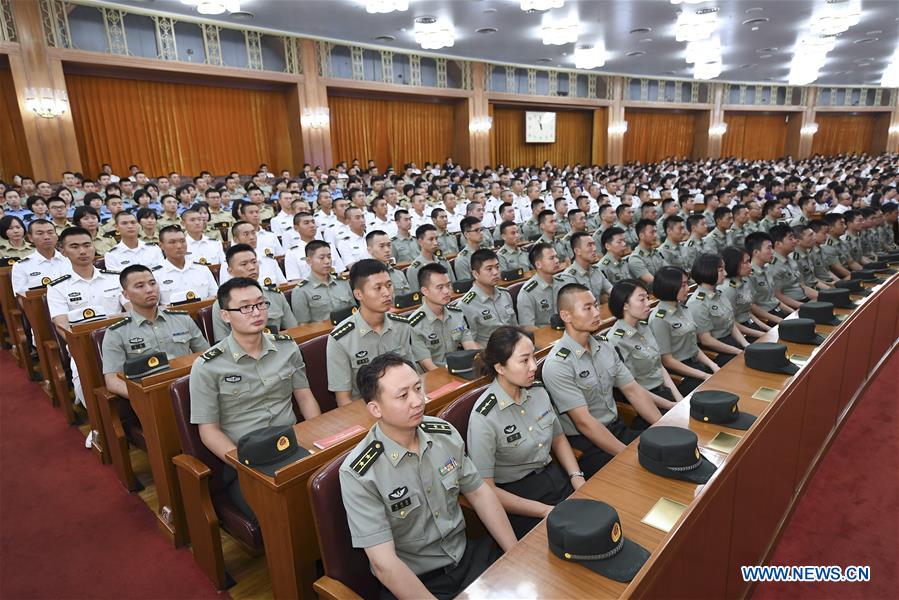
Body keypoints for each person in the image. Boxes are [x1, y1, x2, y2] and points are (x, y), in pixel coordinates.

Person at [339, 353, 516, 600]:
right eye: (403, 396)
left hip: (468, 559)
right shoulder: (360, 473)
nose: (417, 401)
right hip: (416, 583)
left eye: (418, 388)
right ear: (375, 409)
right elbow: (384, 564)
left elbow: (479, 492)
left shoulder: (443, 433)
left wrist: (515, 554)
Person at [189, 277, 321, 521]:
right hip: (248, 461)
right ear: (225, 316)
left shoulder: (287, 348)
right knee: (285, 516)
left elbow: (305, 397)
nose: (256, 312)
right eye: (245, 307)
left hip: (294, 444)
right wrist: (245, 466)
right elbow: (208, 431)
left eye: (261, 304)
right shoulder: (207, 366)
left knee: (333, 493)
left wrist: (319, 440)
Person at [466, 326, 584, 538]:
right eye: (524, 360)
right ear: (500, 367)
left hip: (555, 478)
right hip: (519, 501)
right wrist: (544, 510)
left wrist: (576, 477)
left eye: (533, 357)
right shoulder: (484, 417)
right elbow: (486, 489)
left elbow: (558, 438)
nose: (533, 367)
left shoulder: (537, 391)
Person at [542, 283, 663, 478]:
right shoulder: (558, 364)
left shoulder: (603, 346)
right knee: (644, 476)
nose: (596, 313)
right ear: (566, 316)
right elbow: (584, 423)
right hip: (589, 444)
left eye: (596, 306)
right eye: (587, 308)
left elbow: (633, 390)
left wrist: (663, 425)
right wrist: (628, 454)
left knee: (665, 452)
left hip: (617, 428)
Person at [327, 260, 432, 406]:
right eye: (378, 288)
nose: (386, 293)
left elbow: (411, 375)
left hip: (405, 403)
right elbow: (344, 400)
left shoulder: (401, 325)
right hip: (367, 409)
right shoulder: (341, 338)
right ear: (358, 294)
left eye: (389, 285)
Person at [102, 265, 208, 398]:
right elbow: (112, 381)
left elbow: (206, 356)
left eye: (152, 283)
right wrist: (143, 398)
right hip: (150, 396)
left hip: (193, 388)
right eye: (140, 286)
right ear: (126, 295)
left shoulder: (182, 319)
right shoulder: (117, 332)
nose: (149, 289)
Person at [47, 227, 124, 408]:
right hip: (84, 348)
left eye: (87, 245)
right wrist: (83, 349)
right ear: (63, 251)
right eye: (74, 247)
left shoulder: (114, 278)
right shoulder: (58, 287)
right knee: (89, 394)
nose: (82, 251)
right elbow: (62, 325)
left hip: (122, 343)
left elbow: (130, 309)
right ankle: (99, 426)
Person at [606, 280, 683, 403]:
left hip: (664, 392)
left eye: (647, 298)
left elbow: (659, 366)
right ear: (625, 305)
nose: (649, 303)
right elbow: (633, 389)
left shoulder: (643, 326)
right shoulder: (616, 340)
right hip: (645, 401)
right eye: (642, 300)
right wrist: (671, 405)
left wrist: (679, 398)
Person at [649, 267, 719, 395]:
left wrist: (712, 365)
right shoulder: (659, 318)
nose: (688, 288)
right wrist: (703, 375)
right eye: (683, 285)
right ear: (669, 287)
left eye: (687, 283)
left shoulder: (683, 309)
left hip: (695, 365)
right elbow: (668, 361)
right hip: (680, 373)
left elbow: (692, 346)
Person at [212, 244, 297, 342]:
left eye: (254, 262)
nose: (252, 267)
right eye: (244, 264)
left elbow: (293, 331)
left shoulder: (276, 295)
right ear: (230, 271)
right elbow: (223, 343)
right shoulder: (221, 304)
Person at [409, 263, 479, 369]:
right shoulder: (414, 325)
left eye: (448, 285)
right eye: (440, 287)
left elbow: (471, 348)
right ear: (425, 291)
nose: (447, 291)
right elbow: (428, 366)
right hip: (436, 377)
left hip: (460, 369)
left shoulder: (457, 314)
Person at [686, 254, 749, 365]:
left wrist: (746, 345)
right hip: (717, 350)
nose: (725, 273)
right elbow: (706, 340)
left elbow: (731, 324)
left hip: (731, 342)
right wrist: (738, 351)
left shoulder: (719, 293)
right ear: (708, 271)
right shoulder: (697, 303)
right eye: (721, 270)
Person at [454, 249, 518, 347]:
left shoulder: (505, 294)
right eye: (489, 269)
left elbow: (515, 328)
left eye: (497, 267)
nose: (495, 272)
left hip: (514, 347)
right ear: (475, 274)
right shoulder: (466, 305)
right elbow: (470, 343)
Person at [290, 240, 355, 324]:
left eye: (329, 257)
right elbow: (303, 326)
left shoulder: (343, 283)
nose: (327, 261)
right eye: (321, 258)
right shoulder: (301, 291)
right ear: (309, 261)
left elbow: (354, 311)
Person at [155, 225, 218, 305]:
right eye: (172, 242)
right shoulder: (156, 274)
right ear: (161, 246)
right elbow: (155, 308)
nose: (179, 246)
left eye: (182, 241)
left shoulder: (202, 269)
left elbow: (215, 297)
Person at [719, 246, 769, 338]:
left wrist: (768, 329)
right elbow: (731, 322)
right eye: (746, 262)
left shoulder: (744, 281)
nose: (750, 265)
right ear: (734, 264)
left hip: (750, 325)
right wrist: (762, 334)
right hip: (740, 332)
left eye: (749, 261)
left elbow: (748, 312)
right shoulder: (728, 288)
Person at [10, 219, 69, 294]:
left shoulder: (70, 260)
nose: (46, 237)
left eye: (50, 232)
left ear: (57, 236)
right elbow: (21, 297)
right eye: (40, 233)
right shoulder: (21, 266)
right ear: (30, 238)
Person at [553, 232, 612, 303]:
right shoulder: (569, 277)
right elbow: (575, 305)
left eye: (594, 244)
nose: (594, 249)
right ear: (577, 251)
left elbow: (610, 289)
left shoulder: (596, 270)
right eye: (589, 245)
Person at [745, 231, 791, 322]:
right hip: (766, 318)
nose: (773, 252)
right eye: (769, 248)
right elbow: (751, 306)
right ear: (756, 252)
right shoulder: (749, 275)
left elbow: (774, 299)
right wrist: (779, 320)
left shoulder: (767, 269)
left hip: (777, 312)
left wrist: (793, 312)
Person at [516, 243, 560, 331]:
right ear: (538, 264)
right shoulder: (527, 292)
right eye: (551, 258)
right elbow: (527, 327)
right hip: (545, 338)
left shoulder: (563, 282)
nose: (557, 261)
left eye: (556, 256)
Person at [406, 224, 456, 288]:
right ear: (420, 242)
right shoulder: (414, 269)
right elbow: (417, 295)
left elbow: (453, 286)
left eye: (436, 239)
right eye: (431, 239)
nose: (435, 243)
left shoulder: (443, 261)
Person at [366, 230, 412, 297]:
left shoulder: (399, 274)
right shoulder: (365, 277)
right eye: (381, 246)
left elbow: (409, 299)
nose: (387, 250)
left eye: (389, 245)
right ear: (370, 250)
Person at [626, 219, 664, 286]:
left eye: (655, 232)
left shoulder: (656, 252)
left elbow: (668, 270)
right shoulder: (635, 258)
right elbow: (653, 281)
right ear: (641, 236)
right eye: (652, 232)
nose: (655, 235)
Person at [453, 216, 485, 281]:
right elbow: (466, 285)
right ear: (466, 234)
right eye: (476, 230)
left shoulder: (486, 251)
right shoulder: (462, 259)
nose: (481, 233)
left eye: (481, 229)